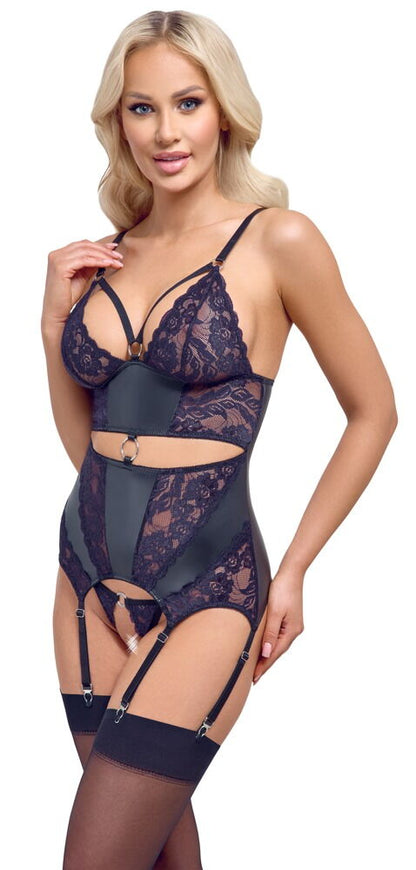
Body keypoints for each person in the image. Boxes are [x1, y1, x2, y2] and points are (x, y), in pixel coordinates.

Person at [41, 9, 398, 870]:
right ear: (118, 121)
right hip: (83, 572)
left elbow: (375, 410)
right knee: (155, 850)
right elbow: (89, 446)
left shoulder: (279, 239)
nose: (166, 132)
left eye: (188, 103)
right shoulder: (108, 254)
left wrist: (298, 568)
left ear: (225, 110)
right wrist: (52, 323)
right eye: (142, 108)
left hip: (210, 580)